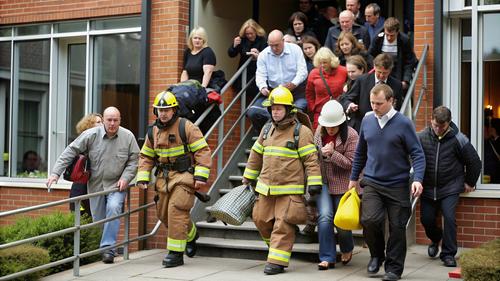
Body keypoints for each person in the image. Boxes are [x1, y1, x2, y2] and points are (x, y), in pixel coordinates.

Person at [348, 84, 426, 281]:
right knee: (369, 220)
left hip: (398, 184)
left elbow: (418, 154)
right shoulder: (367, 121)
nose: (374, 107)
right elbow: (360, 153)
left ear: (391, 101)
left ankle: (394, 268)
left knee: (397, 227)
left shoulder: (403, 123)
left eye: (379, 104)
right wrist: (353, 179)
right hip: (372, 182)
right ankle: (376, 255)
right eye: (372, 103)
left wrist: (417, 179)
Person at [242, 86, 322, 275]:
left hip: (289, 190)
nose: (275, 111)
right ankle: (277, 250)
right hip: (266, 189)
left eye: (279, 108)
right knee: (260, 219)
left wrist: (314, 182)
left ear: (289, 109)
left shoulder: (301, 132)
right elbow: (256, 154)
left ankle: (276, 261)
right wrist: (248, 177)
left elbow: (311, 160)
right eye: (272, 108)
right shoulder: (267, 128)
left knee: (283, 225)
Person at [46, 106, 140, 264]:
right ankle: (102, 250)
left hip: (116, 185)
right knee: (99, 220)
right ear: (103, 120)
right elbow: (70, 151)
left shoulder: (128, 136)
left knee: (114, 207)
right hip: (95, 186)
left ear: (120, 120)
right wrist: (55, 173)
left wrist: (126, 177)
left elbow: (134, 160)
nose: (112, 123)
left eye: (115, 120)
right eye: (109, 120)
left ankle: (108, 249)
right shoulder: (90, 135)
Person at [136, 91, 211, 268]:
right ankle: (191, 235)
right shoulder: (152, 131)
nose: (163, 113)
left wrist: (200, 176)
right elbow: (146, 156)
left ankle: (176, 254)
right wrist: (143, 177)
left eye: (167, 109)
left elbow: (202, 151)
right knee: (164, 215)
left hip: (184, 177)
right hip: (163, 179)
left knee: (176, 211)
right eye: (160, 110)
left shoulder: (186, 127)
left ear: (174, 110)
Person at [418, 106, 481, 267]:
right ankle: (435, 239)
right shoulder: (422, 136)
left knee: (449, 217)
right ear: (431, 120)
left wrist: (470, 182)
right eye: (435, 125)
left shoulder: (459, 139)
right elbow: (412, 158)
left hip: (450, 187)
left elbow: (474, 162)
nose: (438, 129)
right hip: (428, 187)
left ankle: (448, 254)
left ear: (449, 123)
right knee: (426, 219)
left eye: (442, 126)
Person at [314, 100, 358, 270]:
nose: (330, 129)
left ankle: (347, 247)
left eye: (334, 126)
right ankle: (327, 257)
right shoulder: (318, 132)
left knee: (341, 221)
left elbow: (352, 163)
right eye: (327, 125)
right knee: (325, 217)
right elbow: (313, 155)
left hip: (343, 184)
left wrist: (332, 154)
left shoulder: (352, 135)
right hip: (323, 181)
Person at [248, 30, 308, 132]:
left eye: (277, 45)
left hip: (295, 91)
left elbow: (303, 71)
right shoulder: (263, 55)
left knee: (297, 112)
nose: (274, 48)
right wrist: (262, 87)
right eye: (271, 45)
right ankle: (265, 136)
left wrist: (294, 83)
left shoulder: (295, 50)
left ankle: (291, 136)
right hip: (273, 93)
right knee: (253, 112)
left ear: (283, 40)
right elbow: (260, 74)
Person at [340, 53, 403, 132]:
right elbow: (346, 98)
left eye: (385, 73)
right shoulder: (362, 80)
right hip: (362, 125)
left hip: (386, 127)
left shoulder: (397, 85)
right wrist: (350, 105)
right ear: (374, 67)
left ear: (390, 70)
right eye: (379, 72)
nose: (381, 75)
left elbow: (398, 108)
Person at [69, 113, 103, 218]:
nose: (102, 124)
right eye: (98, 122)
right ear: (89, 125)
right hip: (81, 187)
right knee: (81, 217)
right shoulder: (84, 141)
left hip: (95, 186)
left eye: (102, 121)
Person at [368, 17, 417, 91]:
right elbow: (370, 55)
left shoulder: (404, 40)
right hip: (381, 71)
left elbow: (409, 62)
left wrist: (406, 80)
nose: (389, 38)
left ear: (397, 32)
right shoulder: (378, 38)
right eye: (387, 34)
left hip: (397, 72)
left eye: (392, 35)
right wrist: (375, 68)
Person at [306, 47, 347, 130]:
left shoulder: (343, 71)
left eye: (325, 62)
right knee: (318, 135)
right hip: (320, 112)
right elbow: (309, 93)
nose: (322, 65)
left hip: (339, 110)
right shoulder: (313, 73)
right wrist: (313, 107)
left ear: (331, 61)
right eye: (320, 63)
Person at [227, 19, 267, 104]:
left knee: (255, 95)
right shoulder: (242, 40)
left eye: (251, 33)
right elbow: (231, 54)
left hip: (257, 72)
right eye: (247, 34)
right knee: (242, 93)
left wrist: (258, 54)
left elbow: (267, 58)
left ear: (256, 31)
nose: (249, 36)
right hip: (244, 71)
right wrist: (234, 45)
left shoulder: (263, 40)